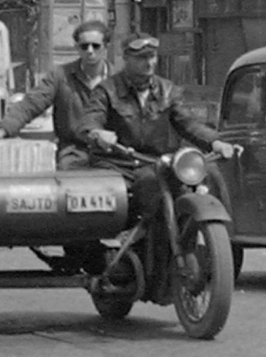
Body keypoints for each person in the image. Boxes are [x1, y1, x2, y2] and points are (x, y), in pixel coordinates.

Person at [77, 34, 238, 224]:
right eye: (141, 58)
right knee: (149, 186)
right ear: (126, 58)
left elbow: (188, 123)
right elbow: (90, 120)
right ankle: (140, 236)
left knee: (208, 173)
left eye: (152, 56)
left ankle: (212, 234)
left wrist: (215, 142)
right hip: (119, 164)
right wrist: (98, 133)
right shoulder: (106, 90)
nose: (149, 63)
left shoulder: (168, 90)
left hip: (156, 162)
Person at [0, 19, 112, 168]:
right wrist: (3, 129)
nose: (90, 51)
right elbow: (32, 103)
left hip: (112, 153)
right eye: (84, 46)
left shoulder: (118, 79)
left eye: (95, 46)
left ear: (106, 47)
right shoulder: (60, 76)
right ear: (77, 48)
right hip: (73, 152)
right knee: (67, 178)